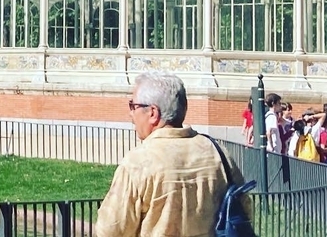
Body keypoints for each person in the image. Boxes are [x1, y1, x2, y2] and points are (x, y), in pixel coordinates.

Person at [95, 71, 249, 237]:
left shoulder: (138, 162)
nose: (131, 114)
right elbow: (245, 209)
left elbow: (110, 230)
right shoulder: (218, 153)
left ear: (153, 113)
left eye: (133, 106)